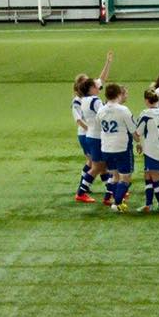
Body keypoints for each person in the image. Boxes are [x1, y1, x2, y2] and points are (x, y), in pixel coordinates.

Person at [72, 51, 113, 203]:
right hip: (94, 136)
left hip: (92, 134)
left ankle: (110, 192)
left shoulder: (85, 100)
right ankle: (82, 192)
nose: (98, 85)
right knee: (96, 166)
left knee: (101, 166)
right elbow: (103, 115)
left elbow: (102, 79)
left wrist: (108, 62)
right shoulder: (92, 100)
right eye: (94, 85)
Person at [97, 83, 138, 212]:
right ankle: (117, 203)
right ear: (119, 94)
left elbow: (99, 126)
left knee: (114, 176)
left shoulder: (101, 110)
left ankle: (116, 201)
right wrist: (139, 142)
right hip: (121, 148)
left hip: (106, 148)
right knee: (125, 177)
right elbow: (133, 129)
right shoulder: (123, 110)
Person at [135, 89, 159, 212]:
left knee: (154, 177)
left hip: (151, 151)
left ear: (147, 100)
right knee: (147, 174)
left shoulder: (145, 114)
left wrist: (138, 142)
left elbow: (137, 133)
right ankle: (148, 204)